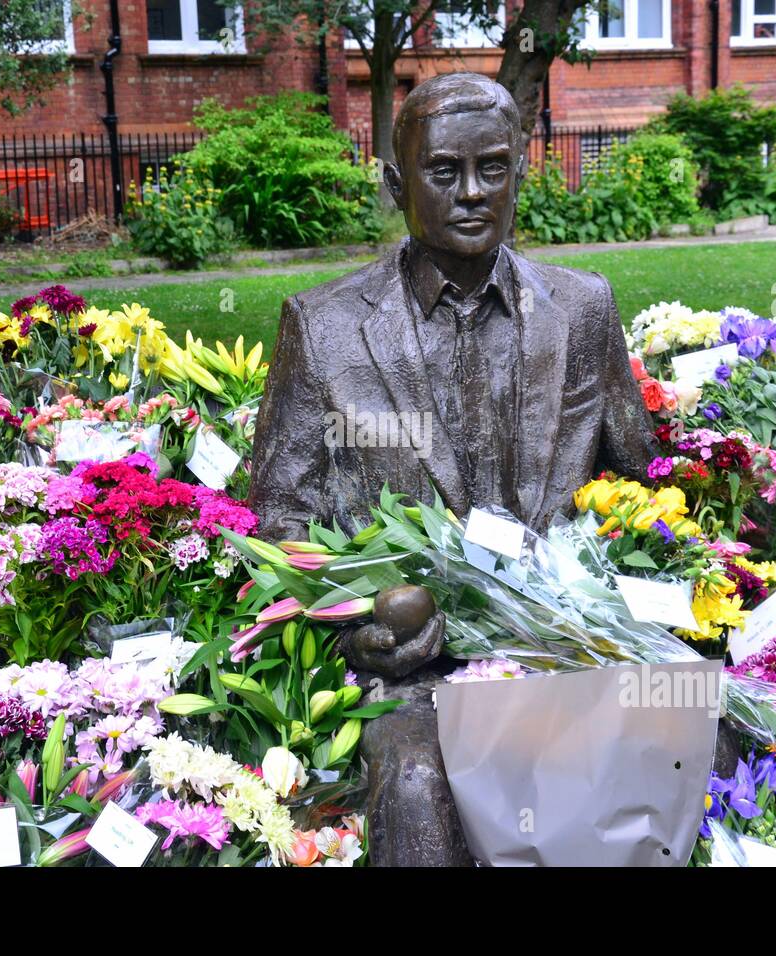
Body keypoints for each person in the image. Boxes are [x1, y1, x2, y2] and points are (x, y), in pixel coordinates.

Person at [248, 72, 654, 865]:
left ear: (520, 173)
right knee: (413, 783)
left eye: (494, 168)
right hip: (419, 675)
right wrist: (359, 625)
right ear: (397, 184)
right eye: (444, 172)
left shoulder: (582, 307)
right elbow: (281, 522)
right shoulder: (324, 326)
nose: (473, 193)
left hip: (566, 650)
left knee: (692, 729)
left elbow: (642, 486)